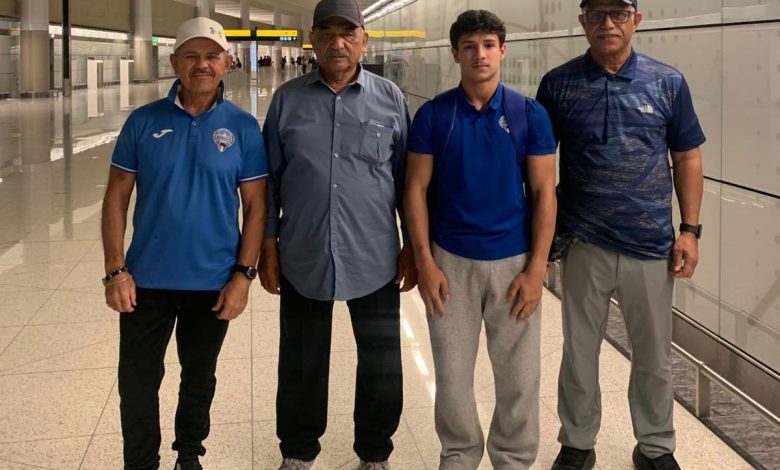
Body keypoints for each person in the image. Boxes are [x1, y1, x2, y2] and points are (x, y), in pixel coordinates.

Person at [535, 1, 705, 469]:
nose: (607, 23)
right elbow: (539, 162)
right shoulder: (558, 84)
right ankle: (577, 442)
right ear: (582, 22)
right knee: (579, 352)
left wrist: (690, 230)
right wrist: (539, 238)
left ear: (636, 20)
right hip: (582, 242)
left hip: (650, 245)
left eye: (618, 13)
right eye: (596, 14)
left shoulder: (668, 82)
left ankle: (655, 446)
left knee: (653, 356)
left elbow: (687, 157)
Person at [101, 16, 267, 470]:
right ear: (174, 62)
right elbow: (116, 196)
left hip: (213, 281)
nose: (201, 64)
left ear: (227, 63)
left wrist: (243, 276)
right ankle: (141, 463)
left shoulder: (243, 128)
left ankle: (189, 454)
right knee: (137, 381)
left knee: (199, 377)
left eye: (211, 56)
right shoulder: (143, 121)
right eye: (191, 56)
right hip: (145, 281)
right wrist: (115, 270)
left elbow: (256, 207)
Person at [259, 0, 416, 468]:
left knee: (382, 362)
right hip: (304, 252)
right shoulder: (287, 100)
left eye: (347, 33)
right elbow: (268, 182)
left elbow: (408, 180)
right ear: (312, 40)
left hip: (375, 254)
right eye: (326, 33)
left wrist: (412, 244)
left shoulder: (390, 98)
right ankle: (298, 452)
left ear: (363, 40)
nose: (337, 43)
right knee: (301, 360)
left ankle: (375, 452)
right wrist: (268, 246)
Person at [405, 10, 557, 470]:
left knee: (519, 377)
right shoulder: (434, 116)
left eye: (489, 45)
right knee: (452, 376)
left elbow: (544, 193)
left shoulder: (529, 115)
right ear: (455, 54)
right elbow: (415, 190)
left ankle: (513, 458)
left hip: (514, 263)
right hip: (450, 262)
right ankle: (459, 454)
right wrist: (425, 262)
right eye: (469, 46)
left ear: (503, 51)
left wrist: (537, 269)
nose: (480, 55)